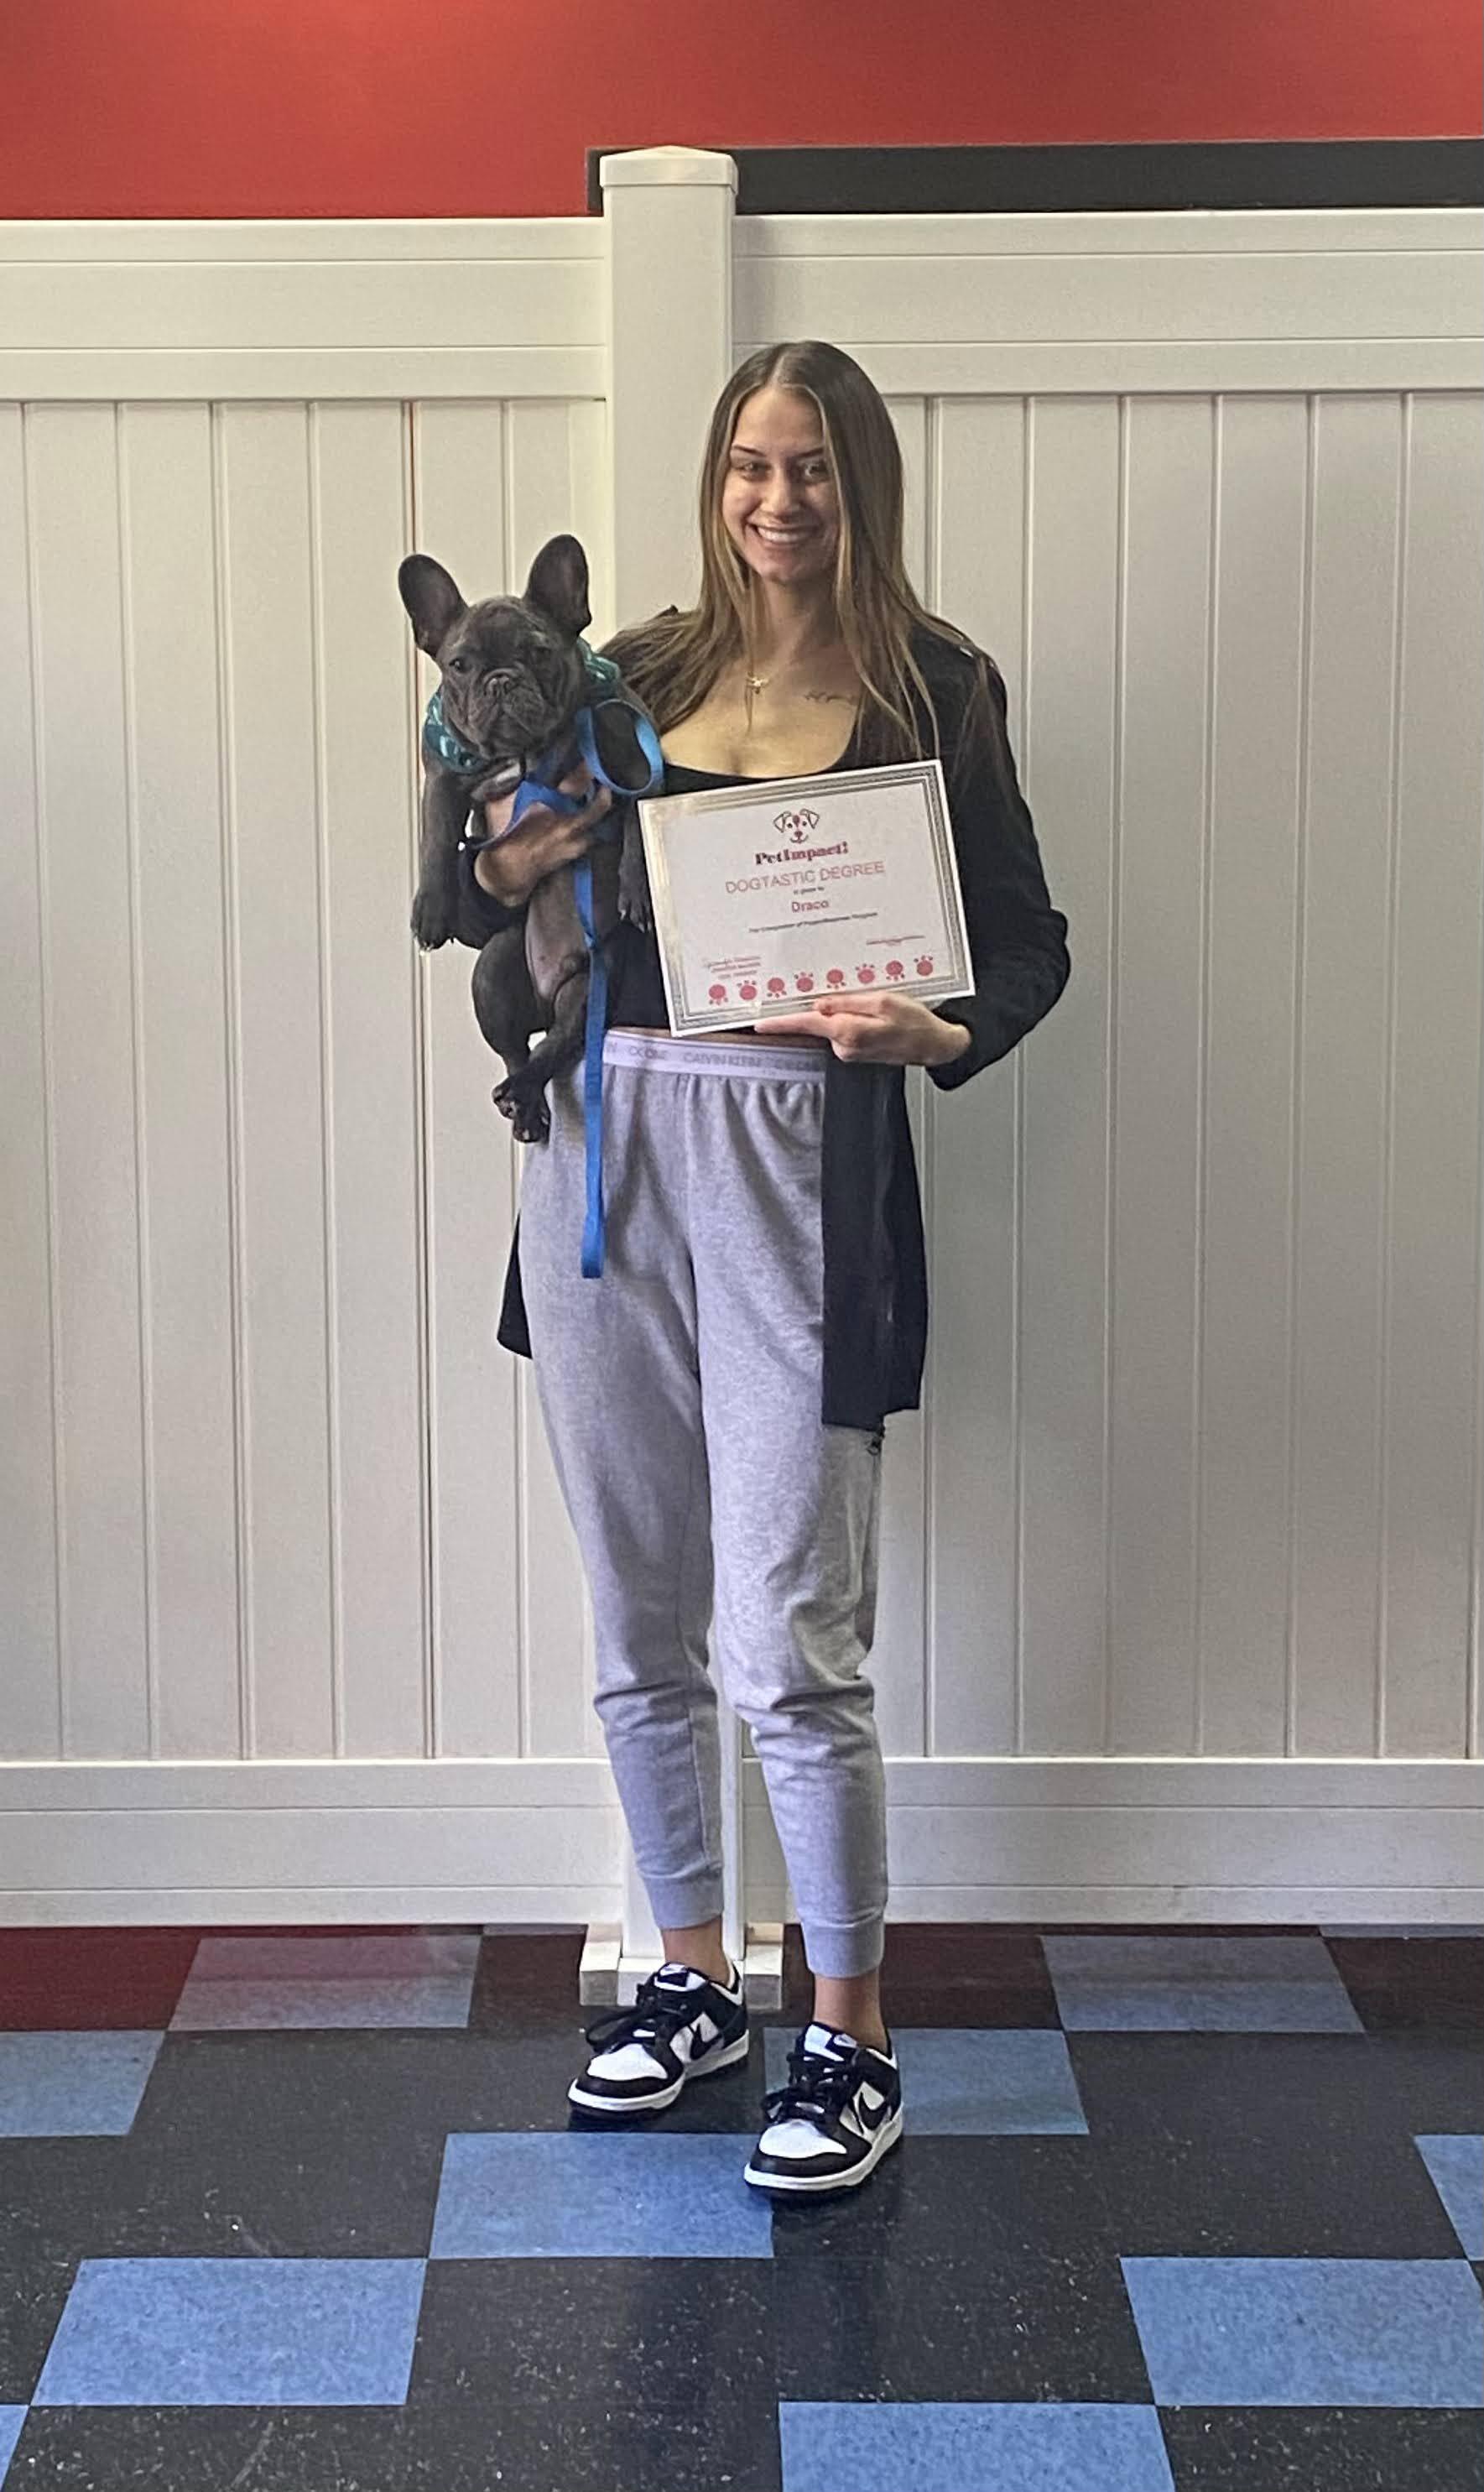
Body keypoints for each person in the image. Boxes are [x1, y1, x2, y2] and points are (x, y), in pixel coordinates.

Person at [463, 339, 1070, 2196]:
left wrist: (933, 1032)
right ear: (715, 480)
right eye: (749, 466)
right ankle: (691, 1976)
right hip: (600, 1162)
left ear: (857, 483)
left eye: (810, 468)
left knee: (789, 1634)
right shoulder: (627, 671)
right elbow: (497, 866)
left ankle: (849, 2026)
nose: (777, 502)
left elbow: (1027, 949)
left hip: (805, 1174)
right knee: (640, 1611)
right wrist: (510, 859)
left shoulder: (933, 688)